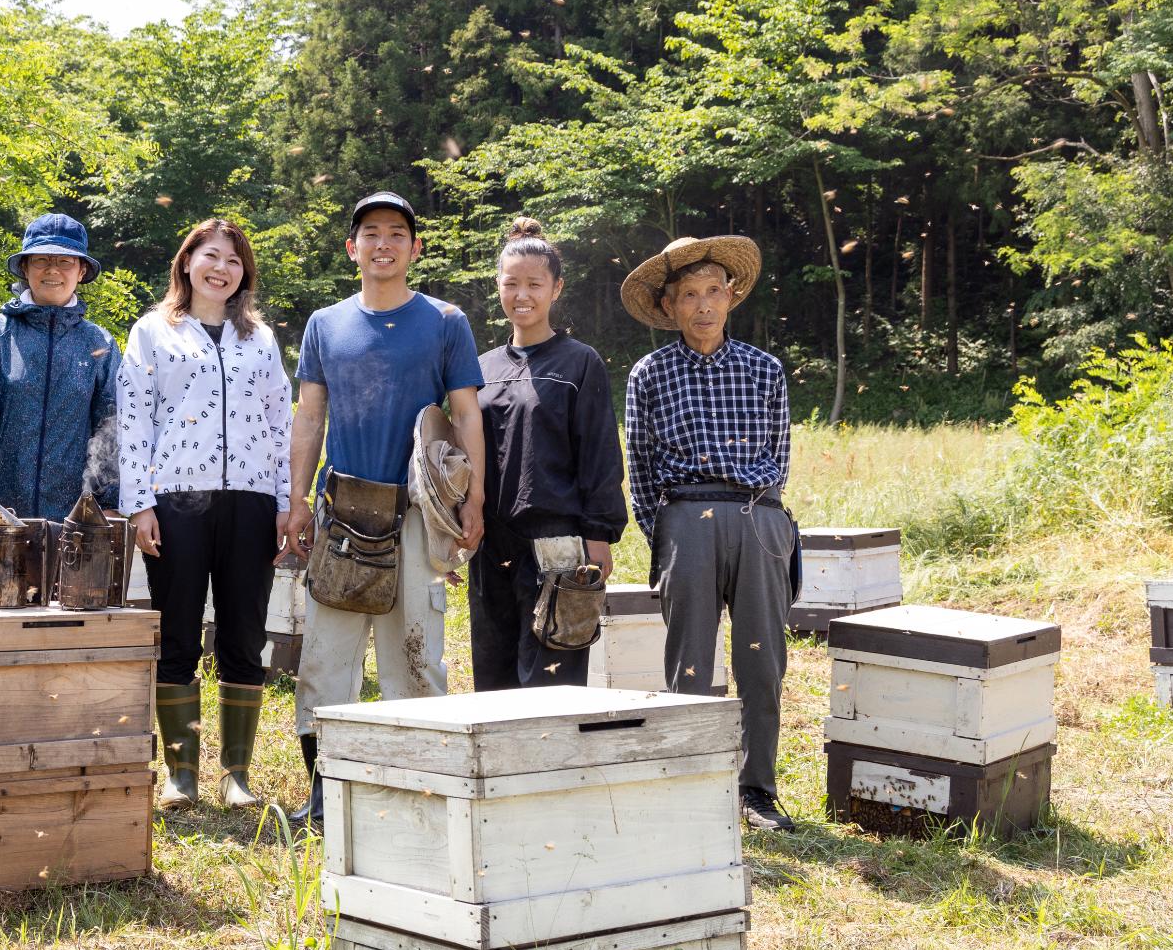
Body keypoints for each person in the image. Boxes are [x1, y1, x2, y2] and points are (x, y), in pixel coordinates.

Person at [281, 191, 485, 825]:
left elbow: (466, 413)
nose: (383, 243)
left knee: (416, 657)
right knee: (326, 658)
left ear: (414, 249)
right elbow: (310, 415)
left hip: (419, 513)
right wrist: (296, 499)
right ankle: (326, 786)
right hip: (341, 510)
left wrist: (474, 496)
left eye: (397, 233)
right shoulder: (324, 324)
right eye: (370, 233)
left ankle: (423, 782)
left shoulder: (445, 321)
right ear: (353, 249)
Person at [622, 235, 798, 832]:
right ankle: (692, 785)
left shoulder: (764, 369)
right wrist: (666, 533)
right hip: (685, 519)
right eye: (689, 295)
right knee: (689, 663)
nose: (702, 306)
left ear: (732, 297)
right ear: (670, 306)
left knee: (762, 660)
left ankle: (757, 791)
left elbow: (780, 454)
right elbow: (639, 465)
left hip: (758, 516)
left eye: (713, 293)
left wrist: (764, 517)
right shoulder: (650, 373)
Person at [117, 219, 293, 811]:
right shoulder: (152, 332)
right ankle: (181, 774)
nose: (222, 268)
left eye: (235, 260)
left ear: (244, 274)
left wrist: (287, 503)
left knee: (245, 631)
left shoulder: (260, 339)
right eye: (211, 256)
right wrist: (140, 502)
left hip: (252, 500)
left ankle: (237, 774)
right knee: (177, 632)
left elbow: (280, 425)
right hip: (177, 500)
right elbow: (134, 420)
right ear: (187, 262)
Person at [469, 218, 627, 690]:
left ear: (556, 289)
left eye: (534, 284)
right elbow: (460, 460)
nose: (522, 295)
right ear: (497, 286)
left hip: (558, 542)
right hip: (490, 543)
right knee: (492, 679)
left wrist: (598, 538)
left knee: (550, 683)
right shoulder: (481, 368)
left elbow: (600, 453)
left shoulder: (580, 361)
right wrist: (452, 538)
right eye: (511, 283)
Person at [0, 213, 119, 547]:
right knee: (0, 599)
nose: (52, 269)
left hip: (76, 516)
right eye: (41, 259)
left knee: (71, 599)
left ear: (81, 271)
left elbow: (111, 427)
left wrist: (109, 504)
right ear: (25, 268)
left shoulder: (100, 343)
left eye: (65, 261)